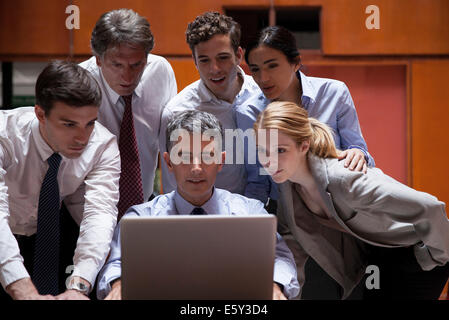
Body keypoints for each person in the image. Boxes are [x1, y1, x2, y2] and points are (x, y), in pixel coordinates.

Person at [254, 101, 449, 299]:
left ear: (304, 145)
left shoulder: (344, 178)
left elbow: (430, 207)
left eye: (280, 150)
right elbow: (292, 242)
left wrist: (433, 257)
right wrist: (284, 291)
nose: (269, 161)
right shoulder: (287, 186)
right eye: (262, 151)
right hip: (378, 258)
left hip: (416, 254)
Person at [97, 110, 300, 300]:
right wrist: (118, 285)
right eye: (184, 157)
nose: (196, 168)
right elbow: (115, 263)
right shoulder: (141, 218)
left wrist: (274, 286)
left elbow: (281, 258)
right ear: (168, 162)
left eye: (207, 156)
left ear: (221, 161)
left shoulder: (251, 212)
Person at [0, 61, 121, 300]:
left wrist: (79, 286)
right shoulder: (5, 136)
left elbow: (99, 215)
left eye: (90, 123)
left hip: (51, 238)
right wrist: (21, 287)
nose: (83, 137)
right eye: (69, 124)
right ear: (40, 114)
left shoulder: (102, 145)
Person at [237, 25, 375, 206]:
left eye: (272, 66)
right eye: (255, 69)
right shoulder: (248, 111)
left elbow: (360, 151)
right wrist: (254, 221)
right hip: (284, 209)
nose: (263, 78)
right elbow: (257, 181)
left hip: (336, 202)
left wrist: (359, 154)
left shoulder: (334, 92)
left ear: (295, 62)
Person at [80, 9, 177, 219]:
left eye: (136, 65)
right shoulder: (80, 83)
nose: (127, 76)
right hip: (87, 208)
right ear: (98, 59)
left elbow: (171, 145)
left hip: (145, 205)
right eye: (117, 65)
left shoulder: (160, 72)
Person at [159, 11, 263, 196]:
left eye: (222, 58)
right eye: (204, 60)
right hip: (207, 217)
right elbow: (173, 188)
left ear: (238, 55)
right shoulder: (177, 112)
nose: (214, 69)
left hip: (267, 212)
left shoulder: (265, 96)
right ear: (195, 61)